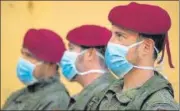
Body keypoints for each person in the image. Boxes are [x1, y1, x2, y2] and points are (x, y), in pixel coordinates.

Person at [86, 2, 179, 110]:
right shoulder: (108, 92)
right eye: (112, 35)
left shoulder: (159, 106)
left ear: (146, 47)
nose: (110, 43)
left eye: (120, 35)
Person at [2, 28, 70, 110]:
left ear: (50, 63)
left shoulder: (57, 100)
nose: (23, 60)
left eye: (29, 56)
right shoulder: (18, 95)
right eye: (22, 54)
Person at [60, 25, 116, 110]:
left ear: (90, 54)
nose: (65, 55)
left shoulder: (106, 96)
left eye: (71, 48)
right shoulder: (93, 95)